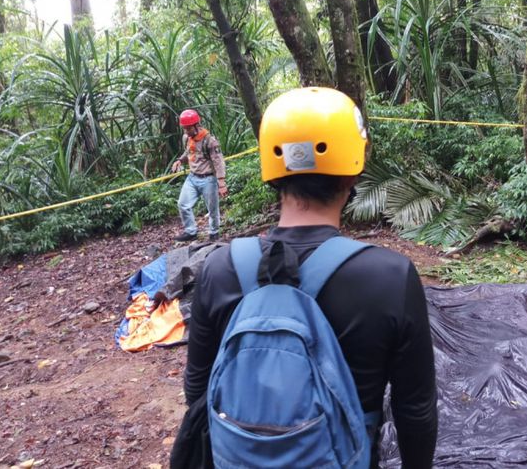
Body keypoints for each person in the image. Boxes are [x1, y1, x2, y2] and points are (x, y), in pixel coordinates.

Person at [183, 87, 438, 468]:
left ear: (272, 171)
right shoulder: (389, 278)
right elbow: (415, 412)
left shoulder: (220, 269)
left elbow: (198, 390)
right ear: (353, 172)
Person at [172, 109, 228, 242]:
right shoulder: (188, 138)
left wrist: (221, 183)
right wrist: (180, 160)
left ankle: (214, 232)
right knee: (183, 204)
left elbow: (218, 161)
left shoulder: (209, 141)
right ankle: (191, 231)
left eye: (188, 128)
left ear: (196, 125)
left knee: (212, 209)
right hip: (192, 177)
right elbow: (189, 152)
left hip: (208, 178)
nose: (186, 131)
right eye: (184, 129)